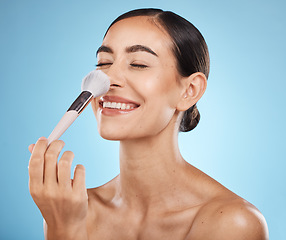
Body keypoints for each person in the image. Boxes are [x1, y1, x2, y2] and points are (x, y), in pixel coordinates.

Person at [28, 8, 269, 240]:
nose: (108, 78)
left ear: (189, 91)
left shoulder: (232, 223)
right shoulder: (71, 209)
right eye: (103, 62)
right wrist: (64, 228)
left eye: (138, 64)